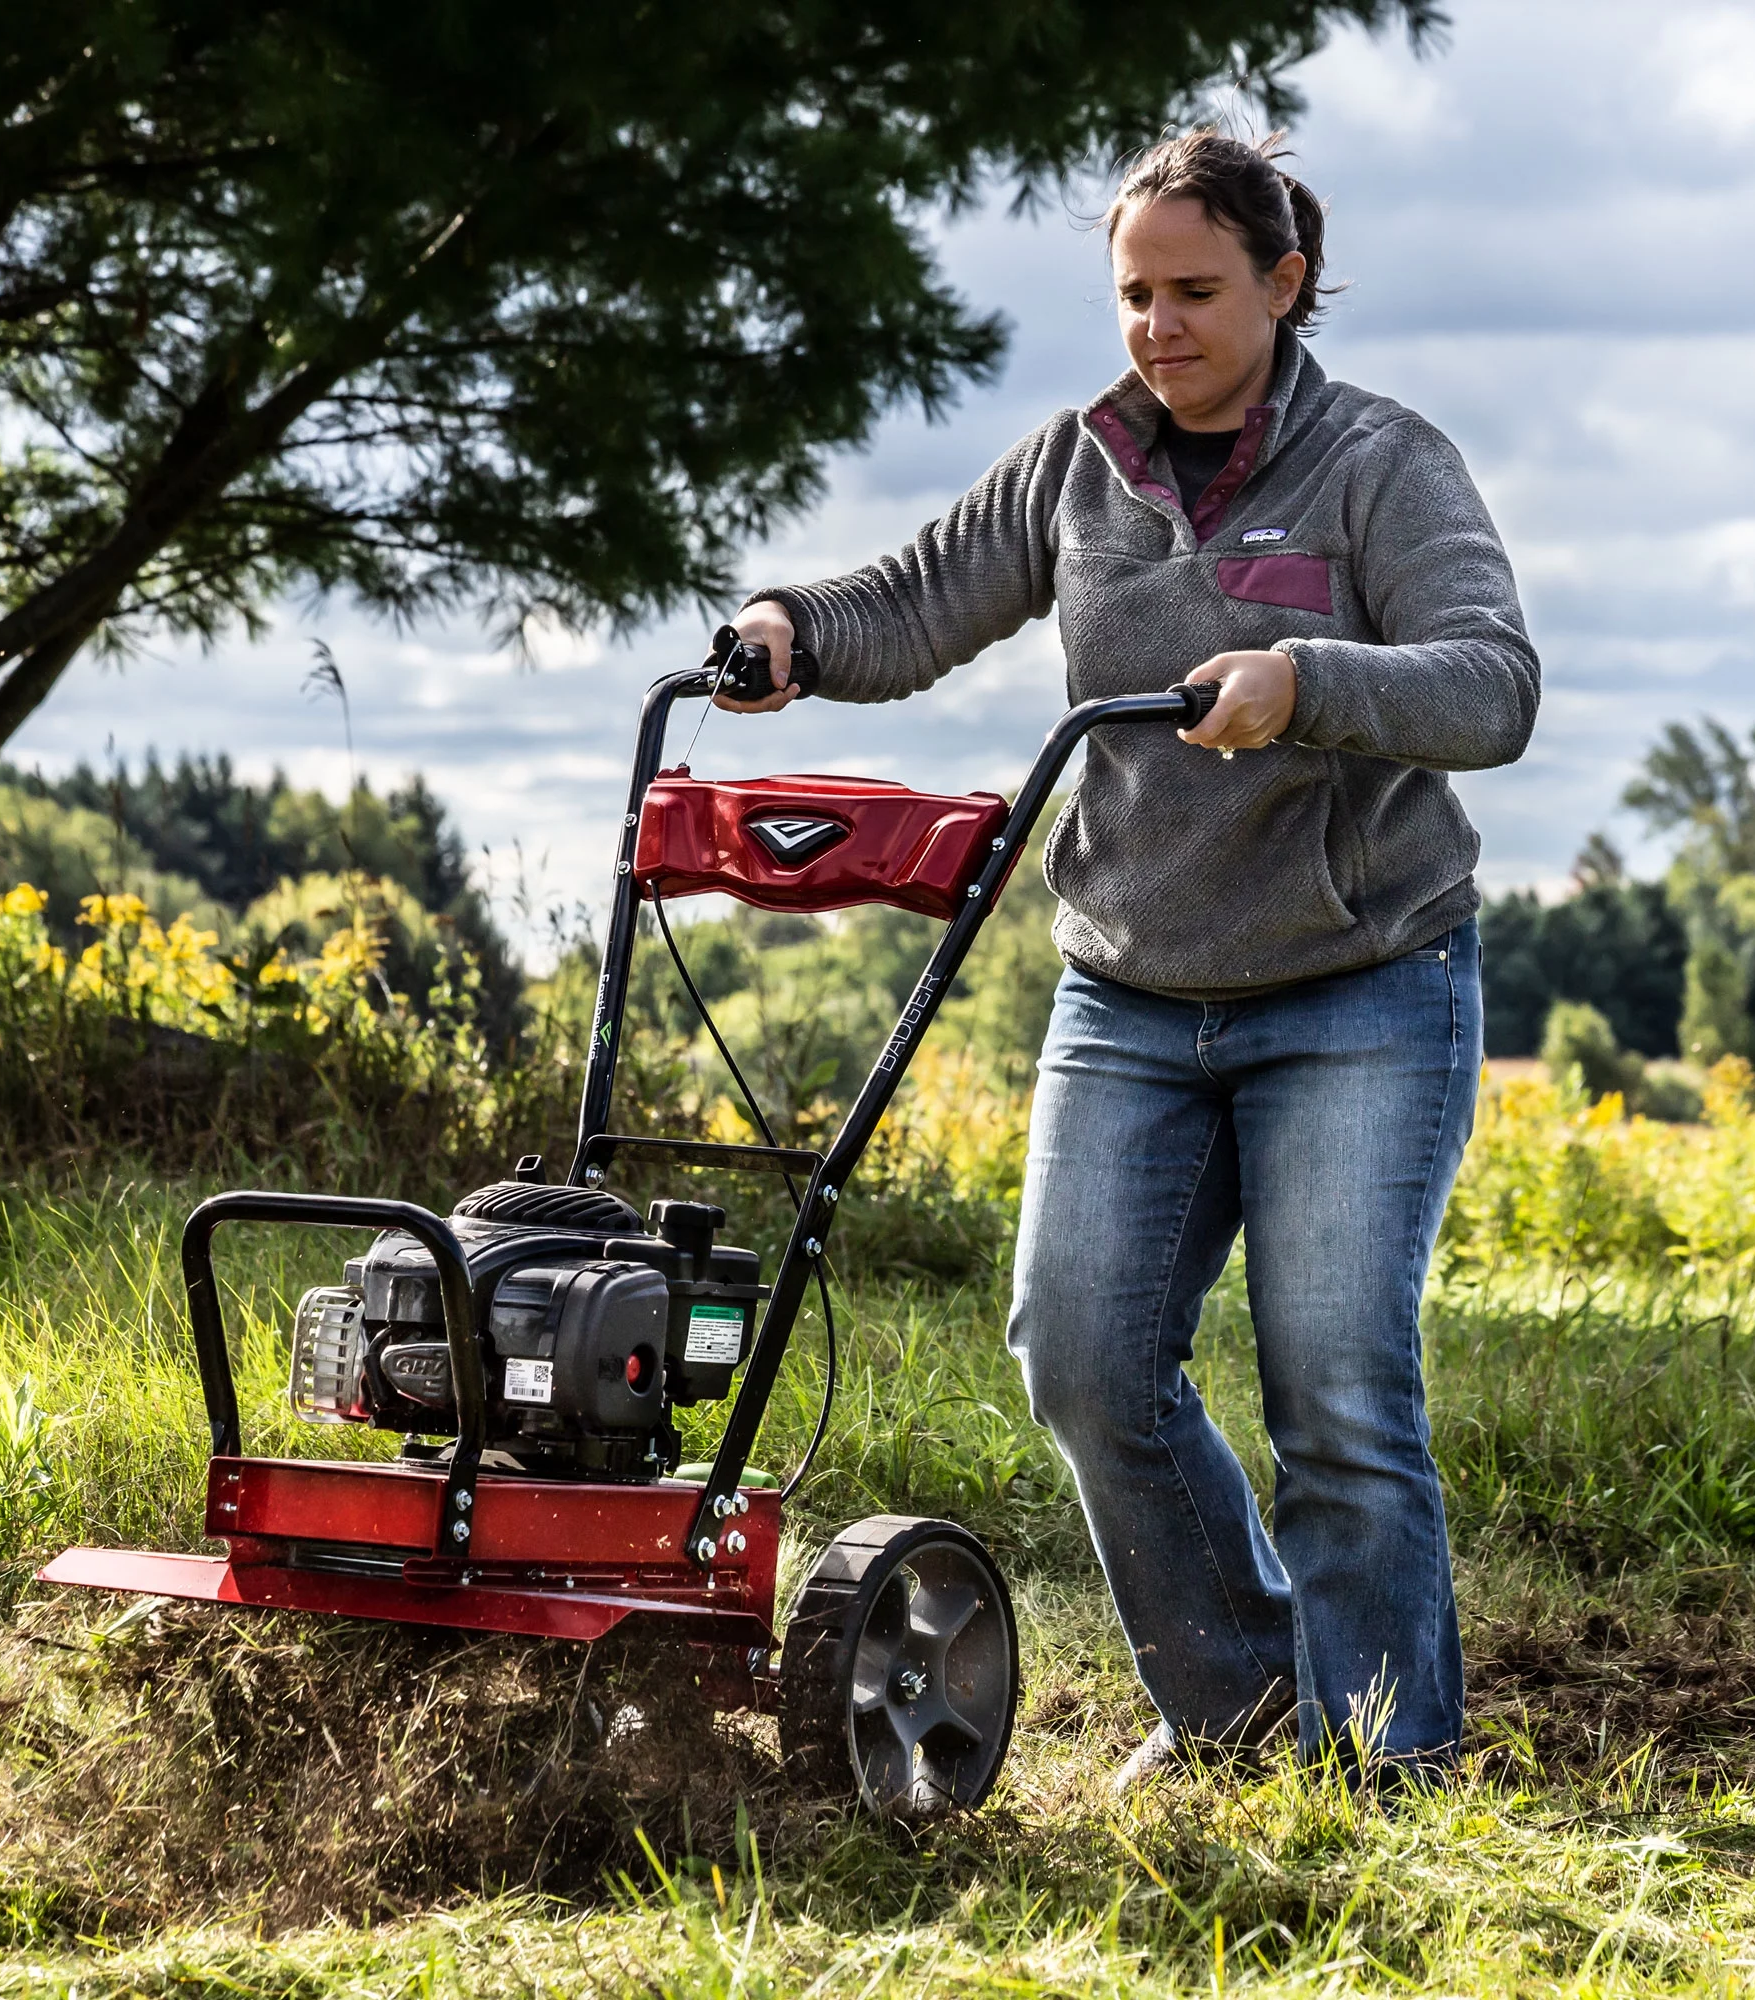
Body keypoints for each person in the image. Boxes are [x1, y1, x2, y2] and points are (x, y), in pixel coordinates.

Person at [715, 129, 1539, 1789]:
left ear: (1285, 284)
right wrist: (796, 628)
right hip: (1133, 992)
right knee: (1083, 1358)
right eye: (1134, 294)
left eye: (1197, 291)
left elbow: (1492, 684)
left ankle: (1391, 1761)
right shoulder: (1079, 465)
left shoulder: (1382, 463)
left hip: (1361, 984)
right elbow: (922, 596)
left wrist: (1308, 681)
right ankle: (1239, 1707)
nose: (1159, 326)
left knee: (1336, 1391)